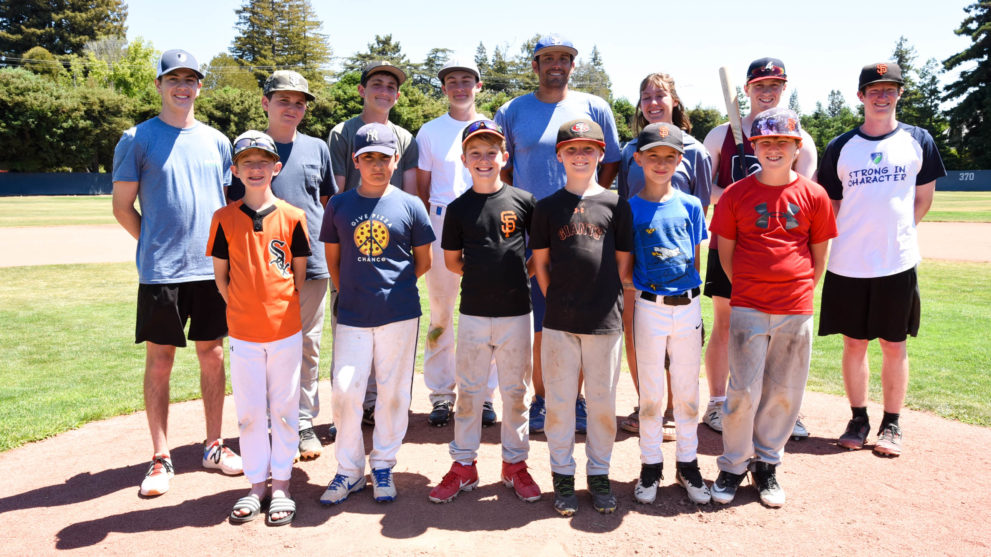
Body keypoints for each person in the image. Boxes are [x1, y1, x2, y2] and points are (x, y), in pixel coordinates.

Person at [111, 48, 242, 497]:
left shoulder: (218, 141)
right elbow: (122, 207)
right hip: (162, 272)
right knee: (161, 360)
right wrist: (153, 244)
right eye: (174, 79)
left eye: (190, 79)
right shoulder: (137, 138)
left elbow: (227, 204)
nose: (182, 87)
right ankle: (160, 456)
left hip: (210, 270)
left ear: (200, 86)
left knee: (213, 354)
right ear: (160, 85)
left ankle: (213, 445)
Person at [708, 108, 836, 508]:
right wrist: (752, 286)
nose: (774, 149)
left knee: (784, 391)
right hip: (748, 305)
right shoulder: (735, 194)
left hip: (795, 307)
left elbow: (819, 255)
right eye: (766, 142)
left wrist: (797, 290)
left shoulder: (813, 195)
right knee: (742, 391)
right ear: (755, 148)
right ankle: (732, 464)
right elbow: (727, 255)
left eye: (783, 142)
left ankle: (767, 464)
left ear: (797, 148)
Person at [495, 35, 622, 435]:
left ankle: (577, 400)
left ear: (572, 65)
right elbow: (503, 166)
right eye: (547, 58)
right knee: (540, 319)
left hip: (581, 229)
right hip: (531, 229)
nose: (556, 64)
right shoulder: (512, 110)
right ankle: (542, 400)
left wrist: (586, 201)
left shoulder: (594, 107)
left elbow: (611, 160)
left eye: (564, 58)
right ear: (535, 65)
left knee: (579, 316)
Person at [817, 62, 945, 457]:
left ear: (900, 94)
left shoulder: (918, 140)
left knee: (894, 344)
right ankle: (858, 419)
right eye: (874, 89)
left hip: (897, 262)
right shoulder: (840, 147)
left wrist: (896, 236)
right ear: (861, 96)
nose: (882, 95)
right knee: (854, 344)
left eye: (890, 88)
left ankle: (892, 423)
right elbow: (831, 206)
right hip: (848, 263)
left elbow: (923, 199)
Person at [701, 57, 817, 440]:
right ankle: (718, 403)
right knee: (726, 325)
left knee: (780, 332)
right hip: (728, 245)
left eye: (774, 85)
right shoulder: (721, 136)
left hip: (780, 252)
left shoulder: (802, 140)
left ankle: (780, 408)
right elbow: (705, 190)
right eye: (760, 86)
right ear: (746, 90)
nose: (767, 92)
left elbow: (804, 196)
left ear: (784, 89)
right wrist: (739, 196)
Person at [318, 123, 434, 505]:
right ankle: (349, 470)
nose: (376, 165)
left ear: (395, 160)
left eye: (384, 158)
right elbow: (333, 261)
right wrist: (354, 289)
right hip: (353, 312)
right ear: (356, 160)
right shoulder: (339, 204)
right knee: (345, 389)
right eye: (368, 158)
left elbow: (423, 262)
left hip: (398, 313)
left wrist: (390, 290)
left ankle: (383, 464)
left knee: (393, 392)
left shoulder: (410, 204)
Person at [428, 119, 541, 504]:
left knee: (515, 392)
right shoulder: (458, 209)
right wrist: (484, 277)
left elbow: (534, 257)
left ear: (504, 156)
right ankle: (464, 465)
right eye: (475, 152)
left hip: (516, 312)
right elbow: (453, 261)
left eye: (491, 151)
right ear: (463, 159)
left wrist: (513, 275)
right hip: (474, 313)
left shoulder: (524, 201)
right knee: (470, 393)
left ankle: (515, 464)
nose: (484, 159)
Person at [227, 70, 337, 460]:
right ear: (265, 102)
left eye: (299, 102)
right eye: (283, 100)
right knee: (265, 348)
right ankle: (270, 422)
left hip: (314, 263)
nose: (292, 108)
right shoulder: (245, 149)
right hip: (258, 269)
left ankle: (303, 421)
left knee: (307, 345)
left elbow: (327, 203)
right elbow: (232, 207)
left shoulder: (317, 148)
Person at [530, 118, 633, 516]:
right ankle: (562, 476)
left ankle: (600, 474)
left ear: (600, 154)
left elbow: (624, 265)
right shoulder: (548, 207)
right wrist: (556, 299)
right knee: (559, 402)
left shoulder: (615, 204)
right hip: (559, 320)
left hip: (604, 319)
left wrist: (601, 298)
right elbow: (540, 264)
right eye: (571, 149)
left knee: (603, 404)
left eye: (588, 149)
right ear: (559, 156)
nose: (580, 155)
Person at [208, 131, 310, 526]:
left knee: (284, 409)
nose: (255, 169)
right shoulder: (223, 218)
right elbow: (221, 277)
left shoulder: (292, 216)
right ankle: (255, 484)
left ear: (276, 167)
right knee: (250, 412)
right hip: (244, 330)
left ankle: (281, 482)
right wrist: (242, 306)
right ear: (234, 169)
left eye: (263, 161)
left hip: (284, 327)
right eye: (247, 162)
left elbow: (297, 275)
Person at [617, 72, 712, 438]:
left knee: (676, 341)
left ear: (675, 101)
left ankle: (674, 408)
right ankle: (648, 404)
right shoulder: (630, 151)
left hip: (677, 267)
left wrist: (694, 276)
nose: (653, 103)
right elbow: (626, 207)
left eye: (660, 95)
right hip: (636, 263)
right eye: (646, 97)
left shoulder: (696, 151)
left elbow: (699, 214)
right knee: (636, 334)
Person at [327, 61, 419, 426]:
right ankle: (349, 407)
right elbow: (334, 194)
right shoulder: (343, 132)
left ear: (397, 95)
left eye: (391, 86)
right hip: (353, 242)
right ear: (362, 90)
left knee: (392, 328)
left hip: (389, 244)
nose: (384, 90)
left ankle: (382, 405)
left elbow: (410, 197)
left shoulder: (405, 138)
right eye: (376, 83)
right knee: (348, 327)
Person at [627, 122, 710, 505]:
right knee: (651, 392)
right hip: (649, 306)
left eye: (670, 157)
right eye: (653, 156)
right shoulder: (629, 209)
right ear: (639, 159)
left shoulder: (691, 205)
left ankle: (688, 462)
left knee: (688, 391)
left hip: (687, 305)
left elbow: (696, 258)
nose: (661, 164)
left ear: (680, 159)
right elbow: (624, 269)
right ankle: (650, 464)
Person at [415, 58, 498, 428]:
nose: (460, 86)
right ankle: (440, 395)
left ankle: (483, 395)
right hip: (443, 219)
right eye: (452, 81)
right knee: (441, 313)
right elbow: (421, 185)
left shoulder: (491, 127)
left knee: (488, 314)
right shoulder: (430, 131)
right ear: (444, 87)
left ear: (478, 86)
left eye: (467, 80)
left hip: (486, 221)